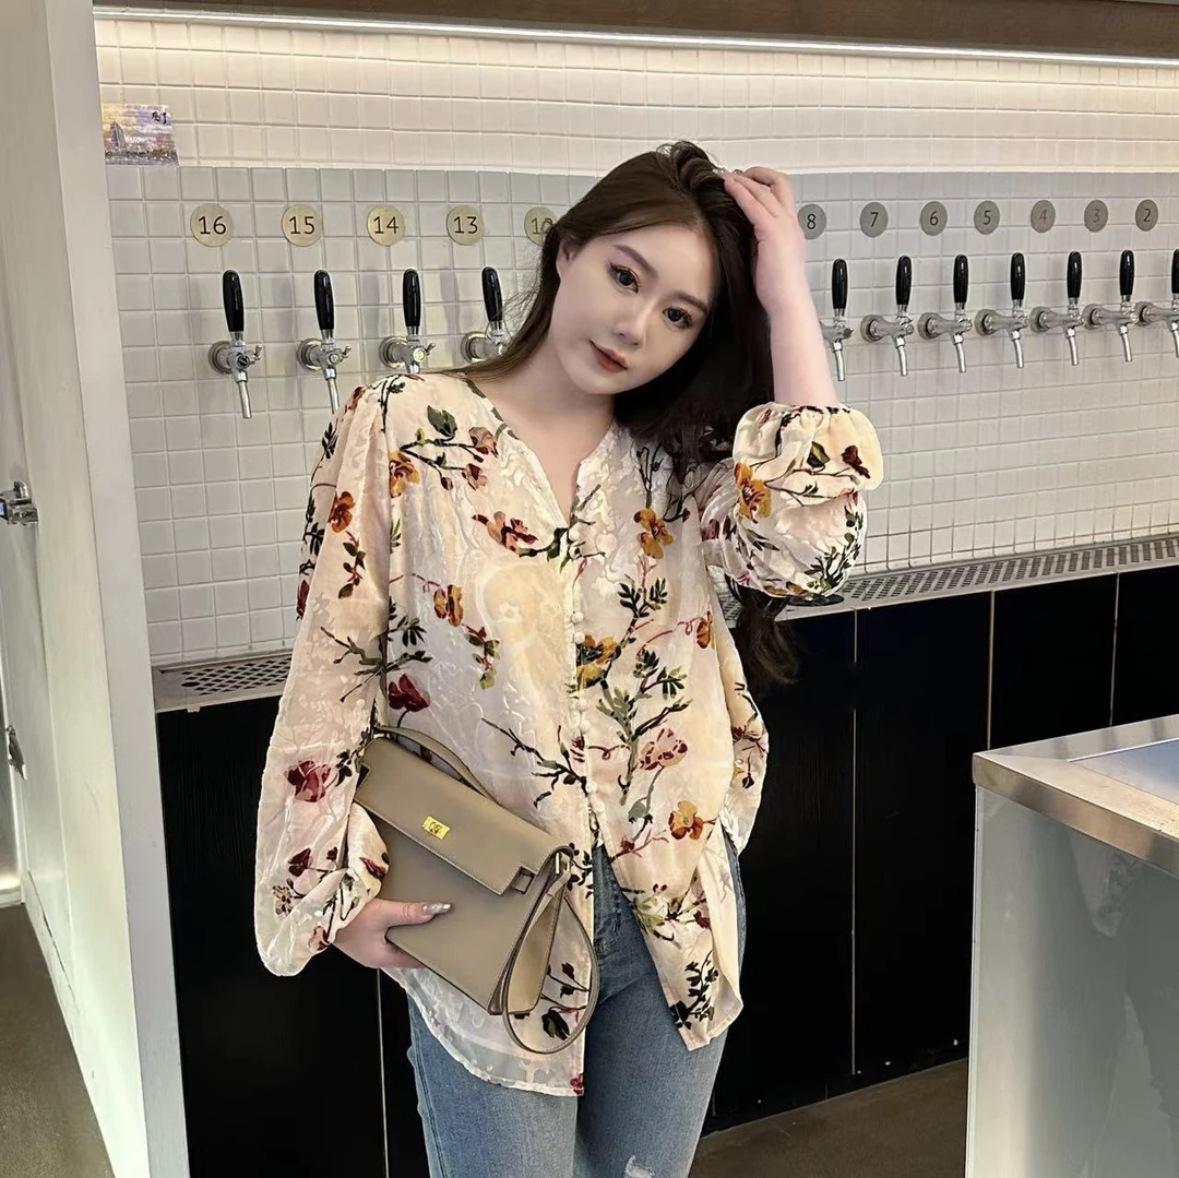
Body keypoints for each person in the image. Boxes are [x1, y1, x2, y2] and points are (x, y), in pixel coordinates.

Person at [253, 139, 883, 1177]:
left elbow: (813, 554)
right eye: (625, 276)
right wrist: (332, 888)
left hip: (677, 898)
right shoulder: (402, 426)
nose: (636, 326)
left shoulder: (684, 462)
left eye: (680, 315)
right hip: (488, 902)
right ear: (568, 251)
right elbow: (333, 662)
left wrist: (785, 295)